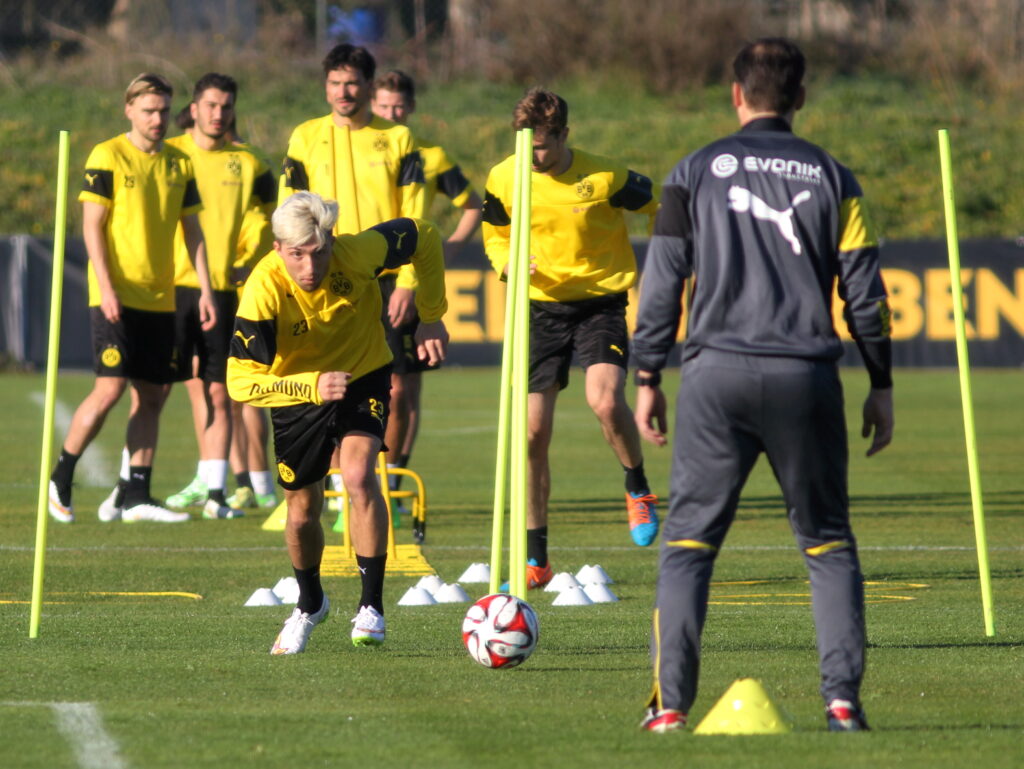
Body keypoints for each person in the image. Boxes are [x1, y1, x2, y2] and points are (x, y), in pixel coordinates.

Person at [631, 38, 894, 733]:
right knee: (827, 542)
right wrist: (881, 381)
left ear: (736, 95)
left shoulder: (693, 171)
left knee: (688, 545)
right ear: (800, 97)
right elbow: (866, 295)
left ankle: (670, 707)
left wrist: (648, 373)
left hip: (714, 376)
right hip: (805, 376)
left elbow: (661, 282)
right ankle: (842, 702)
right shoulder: (836, 178)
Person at [226, 191, 448, 654]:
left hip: (363, 374)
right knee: (301, 511)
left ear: (332, 242)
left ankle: (371, 607)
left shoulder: (359, 253)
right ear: (277, 249)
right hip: (296, 392)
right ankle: (310, 603)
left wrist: (431, 316)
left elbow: (424, 235)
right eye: (297, 255)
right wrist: (310, 385)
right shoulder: (263, 290)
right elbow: (239, 382)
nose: (310, 267)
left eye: (319, 252)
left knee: (358, 475)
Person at [481, 88, 661, 589]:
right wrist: (508, 263)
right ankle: (536, 558)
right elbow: (495, 233)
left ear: (563, 135)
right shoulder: (504, 176)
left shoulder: (605, 177)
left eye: (542, 146)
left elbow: (663, 207)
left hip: (599, 303)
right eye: (526, 145)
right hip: (538, 308)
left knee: (604, 401)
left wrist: (672, 261)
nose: (533, 156)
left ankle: (637, 486)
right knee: (531, 434)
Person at [47, 73, 215, 524]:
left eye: (163, 110)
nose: (157, 119)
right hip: (116, 296)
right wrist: (106, 288)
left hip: (161, 299)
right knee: (110, 388)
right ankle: (62, 474)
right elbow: (92, 227)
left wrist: (204, 289)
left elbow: (193, 232)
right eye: (148, 111)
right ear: (129, 110)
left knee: (153, 395)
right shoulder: (108, 155)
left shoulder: (179, 163)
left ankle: (135, 493)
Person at [280, 43, 425, 508]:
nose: (343, 92)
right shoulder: (305, 137)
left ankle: (388, 484)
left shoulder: (398, 138)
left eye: (352, 83)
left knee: (393, 386)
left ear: (368, 86)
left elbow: (416, 215)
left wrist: (409, 282)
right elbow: (288, 211)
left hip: (386, 280)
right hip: (322, 274)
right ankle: (339, 485)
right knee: (327, 382)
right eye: (335, 83)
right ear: (326, 87)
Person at [371, 69, 483, 505]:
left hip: (408, 283)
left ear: (412, 108)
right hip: (362, 275)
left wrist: (447, 251)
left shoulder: (431, 156)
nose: (392, 113)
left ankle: (394, 483)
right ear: (372, 105)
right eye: (384, 106)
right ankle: (346, 482)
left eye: (399, 106)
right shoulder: (359, 149)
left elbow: (473, 205)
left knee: (403, 389)